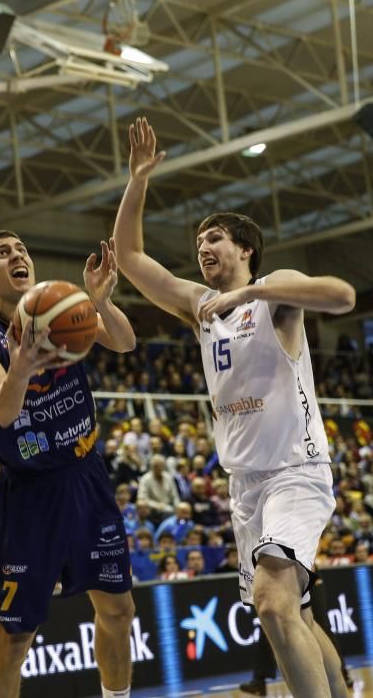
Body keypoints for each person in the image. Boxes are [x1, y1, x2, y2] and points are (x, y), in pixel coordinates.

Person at [113, 116, 356, 698]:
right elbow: (129, 256)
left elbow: (343, 296)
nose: (203, 249)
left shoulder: (274, 289)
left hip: (295, 471)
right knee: (292, 613)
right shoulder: (200, 305)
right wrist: (139, 179)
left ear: (245, 248)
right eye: (198, 244)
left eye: (214, 240)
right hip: (244, 484)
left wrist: (255, 290)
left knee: (274, 606)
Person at [0, 230, 137, 698]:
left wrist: (100, 302)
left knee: (119, 611)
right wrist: (21, 365)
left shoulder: (59, 303)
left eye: (21, 249)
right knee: (15, 638)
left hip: (86, 478)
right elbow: (2, 409)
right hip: (30, 495)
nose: (17, 256)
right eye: (3, 253)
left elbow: (124, 342)